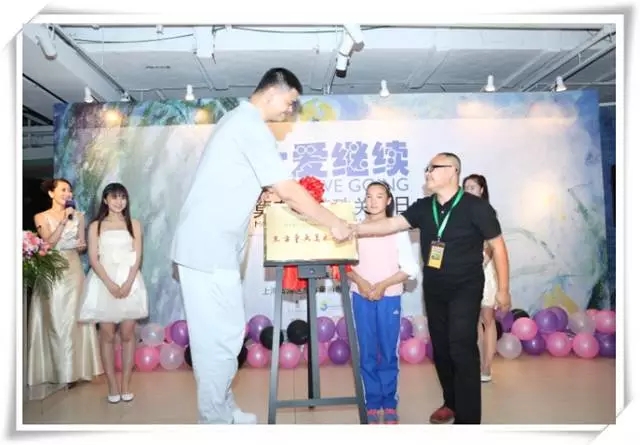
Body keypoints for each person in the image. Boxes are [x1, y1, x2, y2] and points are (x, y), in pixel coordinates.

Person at [171, 67, 353, 424]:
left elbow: (250, 185)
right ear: (272, 93)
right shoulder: (250, 126)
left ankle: (223, 411)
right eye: (290, 101)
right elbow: (287, 190)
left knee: (225, 336)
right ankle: (214, 421)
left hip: (211, 249)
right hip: (207, 250)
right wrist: (333, 222)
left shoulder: (238, 122)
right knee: (218, 342)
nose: (291, 110)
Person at [353, 152, 511, 424]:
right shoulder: (424, 207)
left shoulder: (475, 207)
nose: (427, 172)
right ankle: (451, 403)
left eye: (433, 168)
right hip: (435, 287)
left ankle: (469, 421)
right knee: (441, 348)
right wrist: (350, 228)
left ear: (452, 171)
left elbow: (498, 246)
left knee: (461, 347)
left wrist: (504, 289)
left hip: (466, 286)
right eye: (427, 168)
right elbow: (390, 224)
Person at [347, 181, 419, 424]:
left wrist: (382, 285)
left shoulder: (397, 230)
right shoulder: (355, 229)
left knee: (388, 352)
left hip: (389, 298)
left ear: (388, 201)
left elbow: (410, 269)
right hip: (361, 296)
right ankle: (371, 402)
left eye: (379, 196)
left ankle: (389, 403)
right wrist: (361, 283)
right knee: (366, 351)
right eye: (369, 196)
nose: (373, 201)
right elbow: (344, 264)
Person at [27, 178, 103, 387]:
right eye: (63, 190)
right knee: (54, 318)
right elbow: (48, 243)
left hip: (73, 268)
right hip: (52, 269)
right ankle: (57, 369)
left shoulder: (79, 216)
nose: (67, 193)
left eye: (69, 190)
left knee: (74, 318)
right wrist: (62, 221)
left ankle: (75, 370)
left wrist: (81, 244)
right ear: (51, 193)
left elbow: (81, 245)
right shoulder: (41, 217)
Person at [78, 182, 149, 403]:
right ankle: (112, 386)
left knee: (128, 334)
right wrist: (109, 283)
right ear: (105, 200)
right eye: (114, 197)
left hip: (130, 281)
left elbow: (137, 257)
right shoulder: (95, 226)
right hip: (103, 281)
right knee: (107, 335)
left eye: (122, 197)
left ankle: (126, 384)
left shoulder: (134, 224)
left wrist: (128, 283)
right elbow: (93, 259)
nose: (119, 202)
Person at [463, 174, 498, 382]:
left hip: (483, 272)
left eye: (473, 187)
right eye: (466, 188)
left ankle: (487, 367)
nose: (468, 191)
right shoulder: (459, 214)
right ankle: (475, 364)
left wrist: (481, 261)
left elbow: (494, 245)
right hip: (464, 272)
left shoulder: (487, 212)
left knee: (487, 319)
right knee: (472, 321)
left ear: (482, 190)